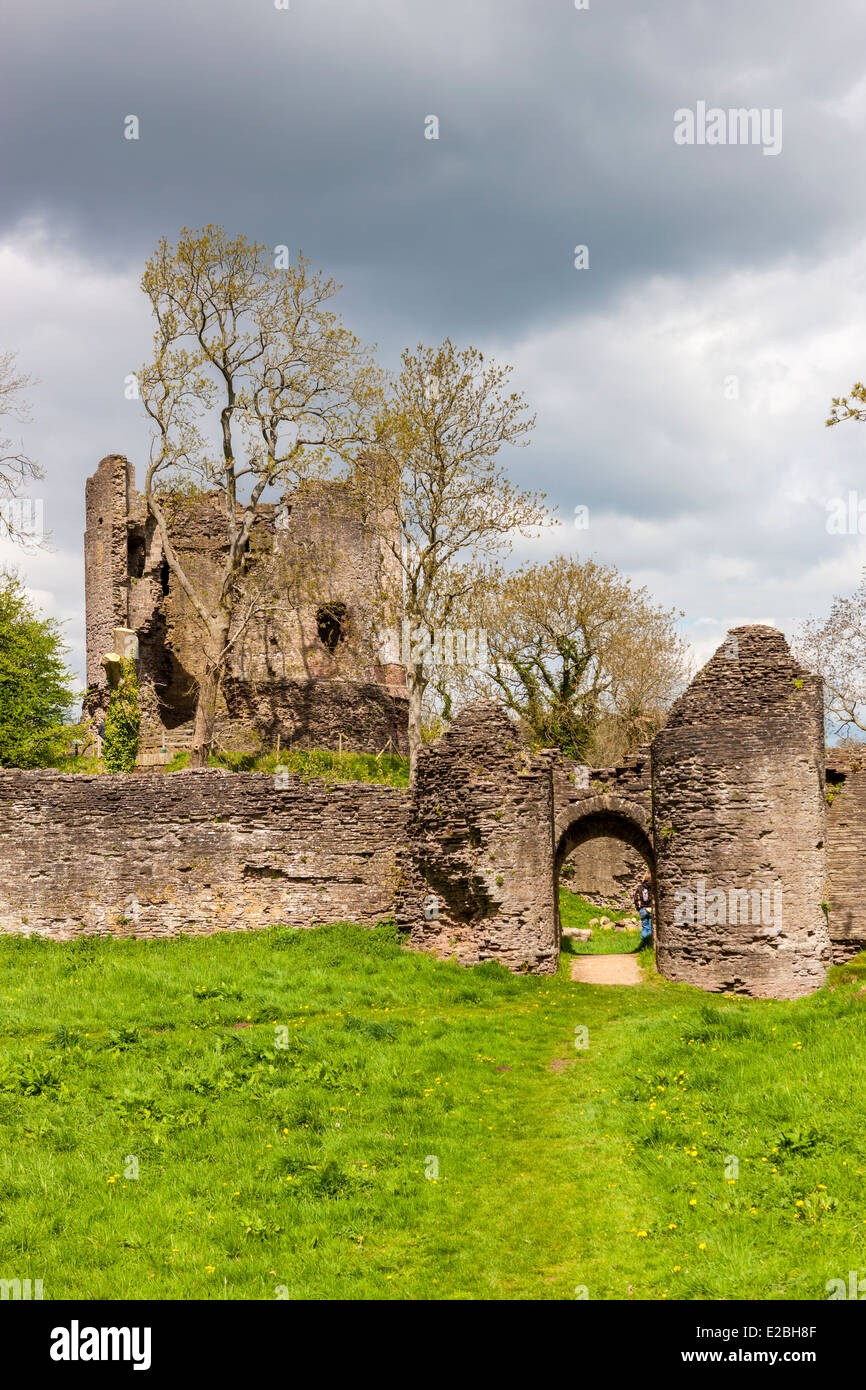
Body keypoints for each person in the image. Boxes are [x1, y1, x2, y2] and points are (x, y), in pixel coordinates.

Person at [633, 874, 653, 946]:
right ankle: (649, 944)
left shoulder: (639, 888)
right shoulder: (652, 887)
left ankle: (643, 944)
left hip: (643, 909)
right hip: (651, 909)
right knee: (650, 927)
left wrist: (638, 908)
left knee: (645, 927)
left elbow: (635, 898)